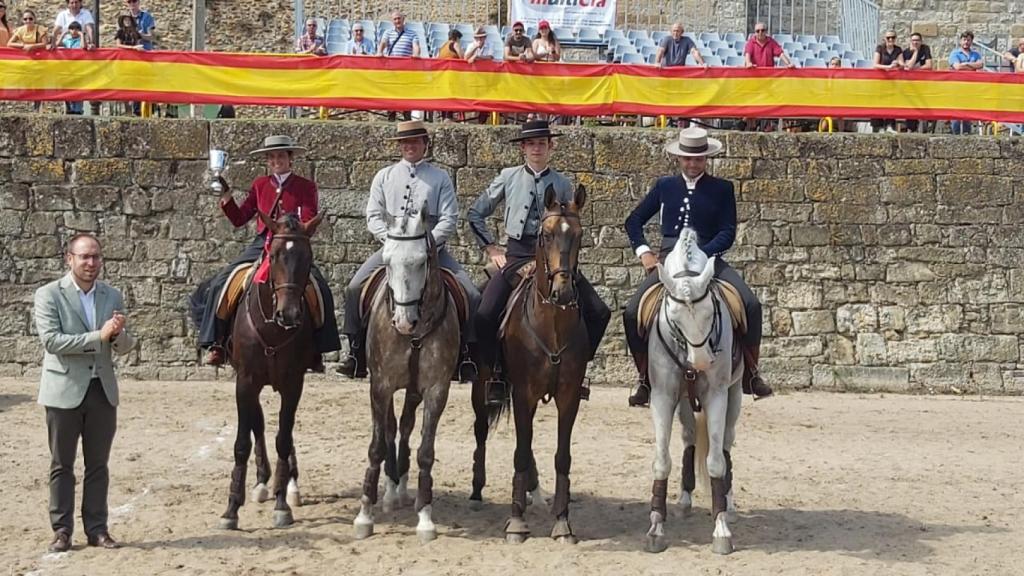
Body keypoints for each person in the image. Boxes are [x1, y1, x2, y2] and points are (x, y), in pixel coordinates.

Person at [622, 127, 772, 407]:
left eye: (699, 159)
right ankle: (643, 377)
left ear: (706, 159)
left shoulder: (722, 188)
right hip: (668, 260)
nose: (693, 164)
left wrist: (702, 257)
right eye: (688, 159)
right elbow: (633, 221)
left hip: (708, 259)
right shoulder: (664, 186)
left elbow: (727, 232)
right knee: (632, 313)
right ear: (679, 158)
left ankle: (752, 372)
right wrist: (644, 252)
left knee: (751, 304)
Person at [467, 120, 611, 403]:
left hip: (556, 259)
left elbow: (571, 224)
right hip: (517, 255)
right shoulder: (507, 177)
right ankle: (496, 372)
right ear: (523, 148)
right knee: (483, 314)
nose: (537, 148)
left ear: (550, 147)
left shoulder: (563, 183)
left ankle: (579, 372)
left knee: (599, 312)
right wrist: (493, 250)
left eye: (542, 144)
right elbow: (475, 213)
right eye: (531, 144)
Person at [336, 121, 481, 379]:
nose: (410, 146)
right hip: (393, 248)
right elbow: (373, 216)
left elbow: (449, 217)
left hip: (432, 251)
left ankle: (466, 355)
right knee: (354, 288)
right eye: (405, 142)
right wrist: (391, 241)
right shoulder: (384, 176)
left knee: (470, 293)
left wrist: (428, 245)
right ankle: (355, 353)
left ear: (425, 145)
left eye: (415, 142)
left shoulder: (440, 178)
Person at [189, 135, 341, 371]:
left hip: (292, 245)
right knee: (221, 282)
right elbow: (240, 218)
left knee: (320, 288)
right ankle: (216, 343)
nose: (276, 160)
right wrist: (226, 197)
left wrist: (293, 227)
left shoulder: (306, 186)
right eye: (271, 157)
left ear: (290, 159)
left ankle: (318, 348)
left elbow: (309, 218)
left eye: (280, 156)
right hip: (262, 243)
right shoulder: (260, 185)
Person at [34, 233, 137, 553]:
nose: (91, 263)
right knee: (62, 465)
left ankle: (97, 529)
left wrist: (118, 336)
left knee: (98, 465)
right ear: (69, 259)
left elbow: (125, 345)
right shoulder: (48, 294)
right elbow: (52, 341)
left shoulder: (112, 295)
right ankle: (62, 530)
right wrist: (99, 336)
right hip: (63, 390)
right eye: (84, 257)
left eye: (96, 257)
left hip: (102, 391)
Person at [948, 31, 983, 135]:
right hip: (957, 87)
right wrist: (973, 65)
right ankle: (956, 134)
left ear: (971, 41)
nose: (966, 42)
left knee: (968, 111)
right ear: (960, 41)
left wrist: (966, 63)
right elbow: (957, 67)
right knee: (956, 111)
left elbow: (980, 64)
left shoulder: (976, 54)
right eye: (964, 40)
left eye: (968, 40)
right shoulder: (954, 53)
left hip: (970, 87)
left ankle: (967, 134)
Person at [871, 31, 904, 133]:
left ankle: (890, 125)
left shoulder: (898, 49)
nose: (891, 40)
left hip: (892, 82)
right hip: (880, 81)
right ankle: (878, 126)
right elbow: (875, 65)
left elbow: (902, 64)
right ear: (885, 39)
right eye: (888, 38)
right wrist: (888, 67)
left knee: (891, 102)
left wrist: (897, 63)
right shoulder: (880, 48)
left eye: (893, 37)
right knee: (878, 102)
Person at [903, 32, 933, 132]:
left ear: (921, 41)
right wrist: (915, 52)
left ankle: (926, 126)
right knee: (911, 105)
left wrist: (916, 70)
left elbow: (929, 66)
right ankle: (911, 129)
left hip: (924, 83)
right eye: (913, 40)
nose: (915, 42)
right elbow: (908, 67)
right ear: (910, 42)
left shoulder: (925, 49)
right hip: (910, 85)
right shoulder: (906, 52)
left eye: (917, 40)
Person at [59, 21, 85, 115]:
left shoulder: (80, 40)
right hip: (68, 69)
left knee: (77, 89)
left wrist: (82, 35)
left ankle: (77, 110)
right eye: (72, 29)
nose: (74, 31)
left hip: (78, 69)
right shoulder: (67, 40)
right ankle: (69, 107)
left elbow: (82, 47)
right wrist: (63, 34)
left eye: (76, 29)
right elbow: (58, 44)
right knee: (67, 88)